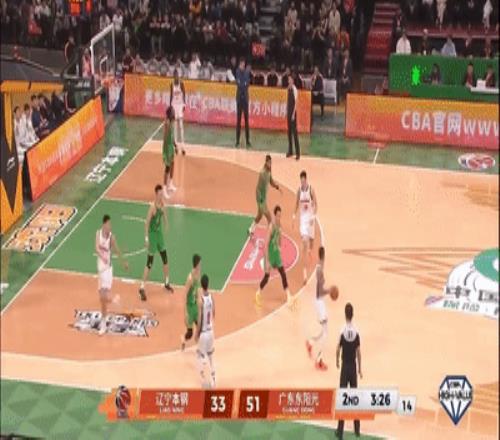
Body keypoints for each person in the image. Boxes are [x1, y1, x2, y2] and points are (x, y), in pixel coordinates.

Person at [138, 185, 174, 301]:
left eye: (162, 194)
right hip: (153, 236)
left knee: (165, 259)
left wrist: (166, 222)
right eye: (159, 194)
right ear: (156, 194)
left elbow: (164, 214)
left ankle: (167, 282)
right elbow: (147, 223)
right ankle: (142, 287)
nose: (161, 195)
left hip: (159, 235)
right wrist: (146, 239)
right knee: (149, 263)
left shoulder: (162, 204)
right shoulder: (152, 207)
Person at [255, 205, 295, 308]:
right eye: (277, 216)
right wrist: (267, 260)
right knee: (267, 277)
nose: (279, 218)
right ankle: (258, 293)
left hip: (276, 254)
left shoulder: (280, 226)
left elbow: (280, 240)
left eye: (280, 216)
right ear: (274, 215)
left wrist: (279, 247)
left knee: (283, 273)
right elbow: (266, 244)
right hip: (270, 255)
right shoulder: (271, 227)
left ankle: (288, 295)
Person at [95, 214, 128, 336]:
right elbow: (96, 247)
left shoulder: (111, 237)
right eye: (108, 224)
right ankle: (113, 300)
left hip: (108, 271)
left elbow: (117, 250)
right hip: (100, 270)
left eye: (110, 224)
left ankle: (103, 325)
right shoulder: (98, 234)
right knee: (102, 300)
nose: (110, 226)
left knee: (103, 297)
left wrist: (123, 262)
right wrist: (101, 256)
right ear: (104, 224)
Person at [335, 303, 363, 439]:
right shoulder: (356, 331)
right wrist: (360, 369)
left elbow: (337, 348)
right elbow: (359, 352)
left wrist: (336, 360)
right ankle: (357, 429)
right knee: (354, 398)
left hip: (345, 367)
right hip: (353, 366)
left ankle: (340, 432)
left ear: (345, 314)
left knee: (343, 399)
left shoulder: (342, 330)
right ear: (353, 314)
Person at [306, 247, 334, 370]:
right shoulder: (320, 270)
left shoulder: (319, 267)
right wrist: (329, 291)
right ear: (324, 255)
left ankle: (310, 343)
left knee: (324, 331)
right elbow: (320, 291)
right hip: (319, 302)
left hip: (319, 302)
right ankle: (319, 360)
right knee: (325, 334)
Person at [248, 154, 282, 236]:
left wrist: (277, 187)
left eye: (271, 162)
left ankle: (251, 229)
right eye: (269, 162)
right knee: (269, 217)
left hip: (264, 198)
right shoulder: (262, 173)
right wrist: (260, 200)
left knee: (259, 215)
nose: (270, 164)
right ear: (266, 162)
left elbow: (271, 181)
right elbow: (258, 188)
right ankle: (271, 234)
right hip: (260, 198)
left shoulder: (269, 171)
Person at [293, 170, 318, 284]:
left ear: (306, 179)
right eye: (301, 181)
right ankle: (304, 275)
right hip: (303, 220)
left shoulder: (311, 189)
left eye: (304, 181)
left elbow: (316, 204)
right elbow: (296, 203)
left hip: (310, 219)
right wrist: (294, 216)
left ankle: (310, 251)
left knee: (311, 241)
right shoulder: (299, 190)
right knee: (304, 242)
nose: (302, 183)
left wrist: (313, 216)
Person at [195, 273, 216, 388]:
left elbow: (199, 319)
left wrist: (197, 333)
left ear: (201, 285)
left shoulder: (200, 300)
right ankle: (213, 380)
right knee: (211, 356)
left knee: (199, 355)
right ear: (208, 284)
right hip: (210, 331)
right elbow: (214, 312)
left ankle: (203, 380)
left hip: (203, 333)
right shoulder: (211, 297)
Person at [181, 254, 202, 351]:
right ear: (196, 264)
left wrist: (199, 300)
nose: (200, 266)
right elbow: (185, 295)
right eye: (200, 264)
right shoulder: (190, 278)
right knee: (190, 333)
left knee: (200, 327)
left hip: (195, 306)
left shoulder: (198, 274)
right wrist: (185, 312)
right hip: (189, 307)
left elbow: (196, 290)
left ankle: (200, 347)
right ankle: (183, 339)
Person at [161, 106, 178, 198]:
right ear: (170, 113)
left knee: (172, 164)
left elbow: (172, 135)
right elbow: (165, 137)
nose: (174, 112)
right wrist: (165, 151)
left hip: (171, 146)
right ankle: (164, 189)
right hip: (167, 147)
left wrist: (175, 145)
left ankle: (170, 183)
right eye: (173, 111)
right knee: (167, 168)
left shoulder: (172, 122)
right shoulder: (167, 123)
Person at [235, 57, 251, 148]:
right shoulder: (237, 72)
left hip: (245, 99)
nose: (243, 66)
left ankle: (248, 140)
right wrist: (243, 84)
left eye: (244, 64)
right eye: (241, 64)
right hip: (239, 99)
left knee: (246, 120)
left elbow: (247, 83)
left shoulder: (246, 72)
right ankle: (237, 141)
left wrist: (244, 84)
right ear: (240, 64)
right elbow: (239, 83)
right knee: (238, 120)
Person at [170, 69, 187, 151]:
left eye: (177, 75)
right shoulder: (172, 84)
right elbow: (171, 95)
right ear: (173, 76)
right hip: (174, 105)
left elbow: (184, 93)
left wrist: (184, 104)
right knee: (175, 126)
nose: (176, 77)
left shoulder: (181, 83)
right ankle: (176, 145)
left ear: (178, 76)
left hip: (180, 105)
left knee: (181, 125)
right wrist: (170, 106)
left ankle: (183, 145)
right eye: (175, 75)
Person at [286, 75, 300, 160]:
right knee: (289, 133)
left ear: (293, 80)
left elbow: (296, 102)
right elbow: (288, 101)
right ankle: (290, 151)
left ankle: (298, 153)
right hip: (288, 112)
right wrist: (286, 111)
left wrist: (293, 114)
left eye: (290, 79)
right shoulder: (288, 88)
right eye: (288, 79)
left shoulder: (295, 89)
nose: (289, 81)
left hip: (293, 113)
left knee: (294, 133)